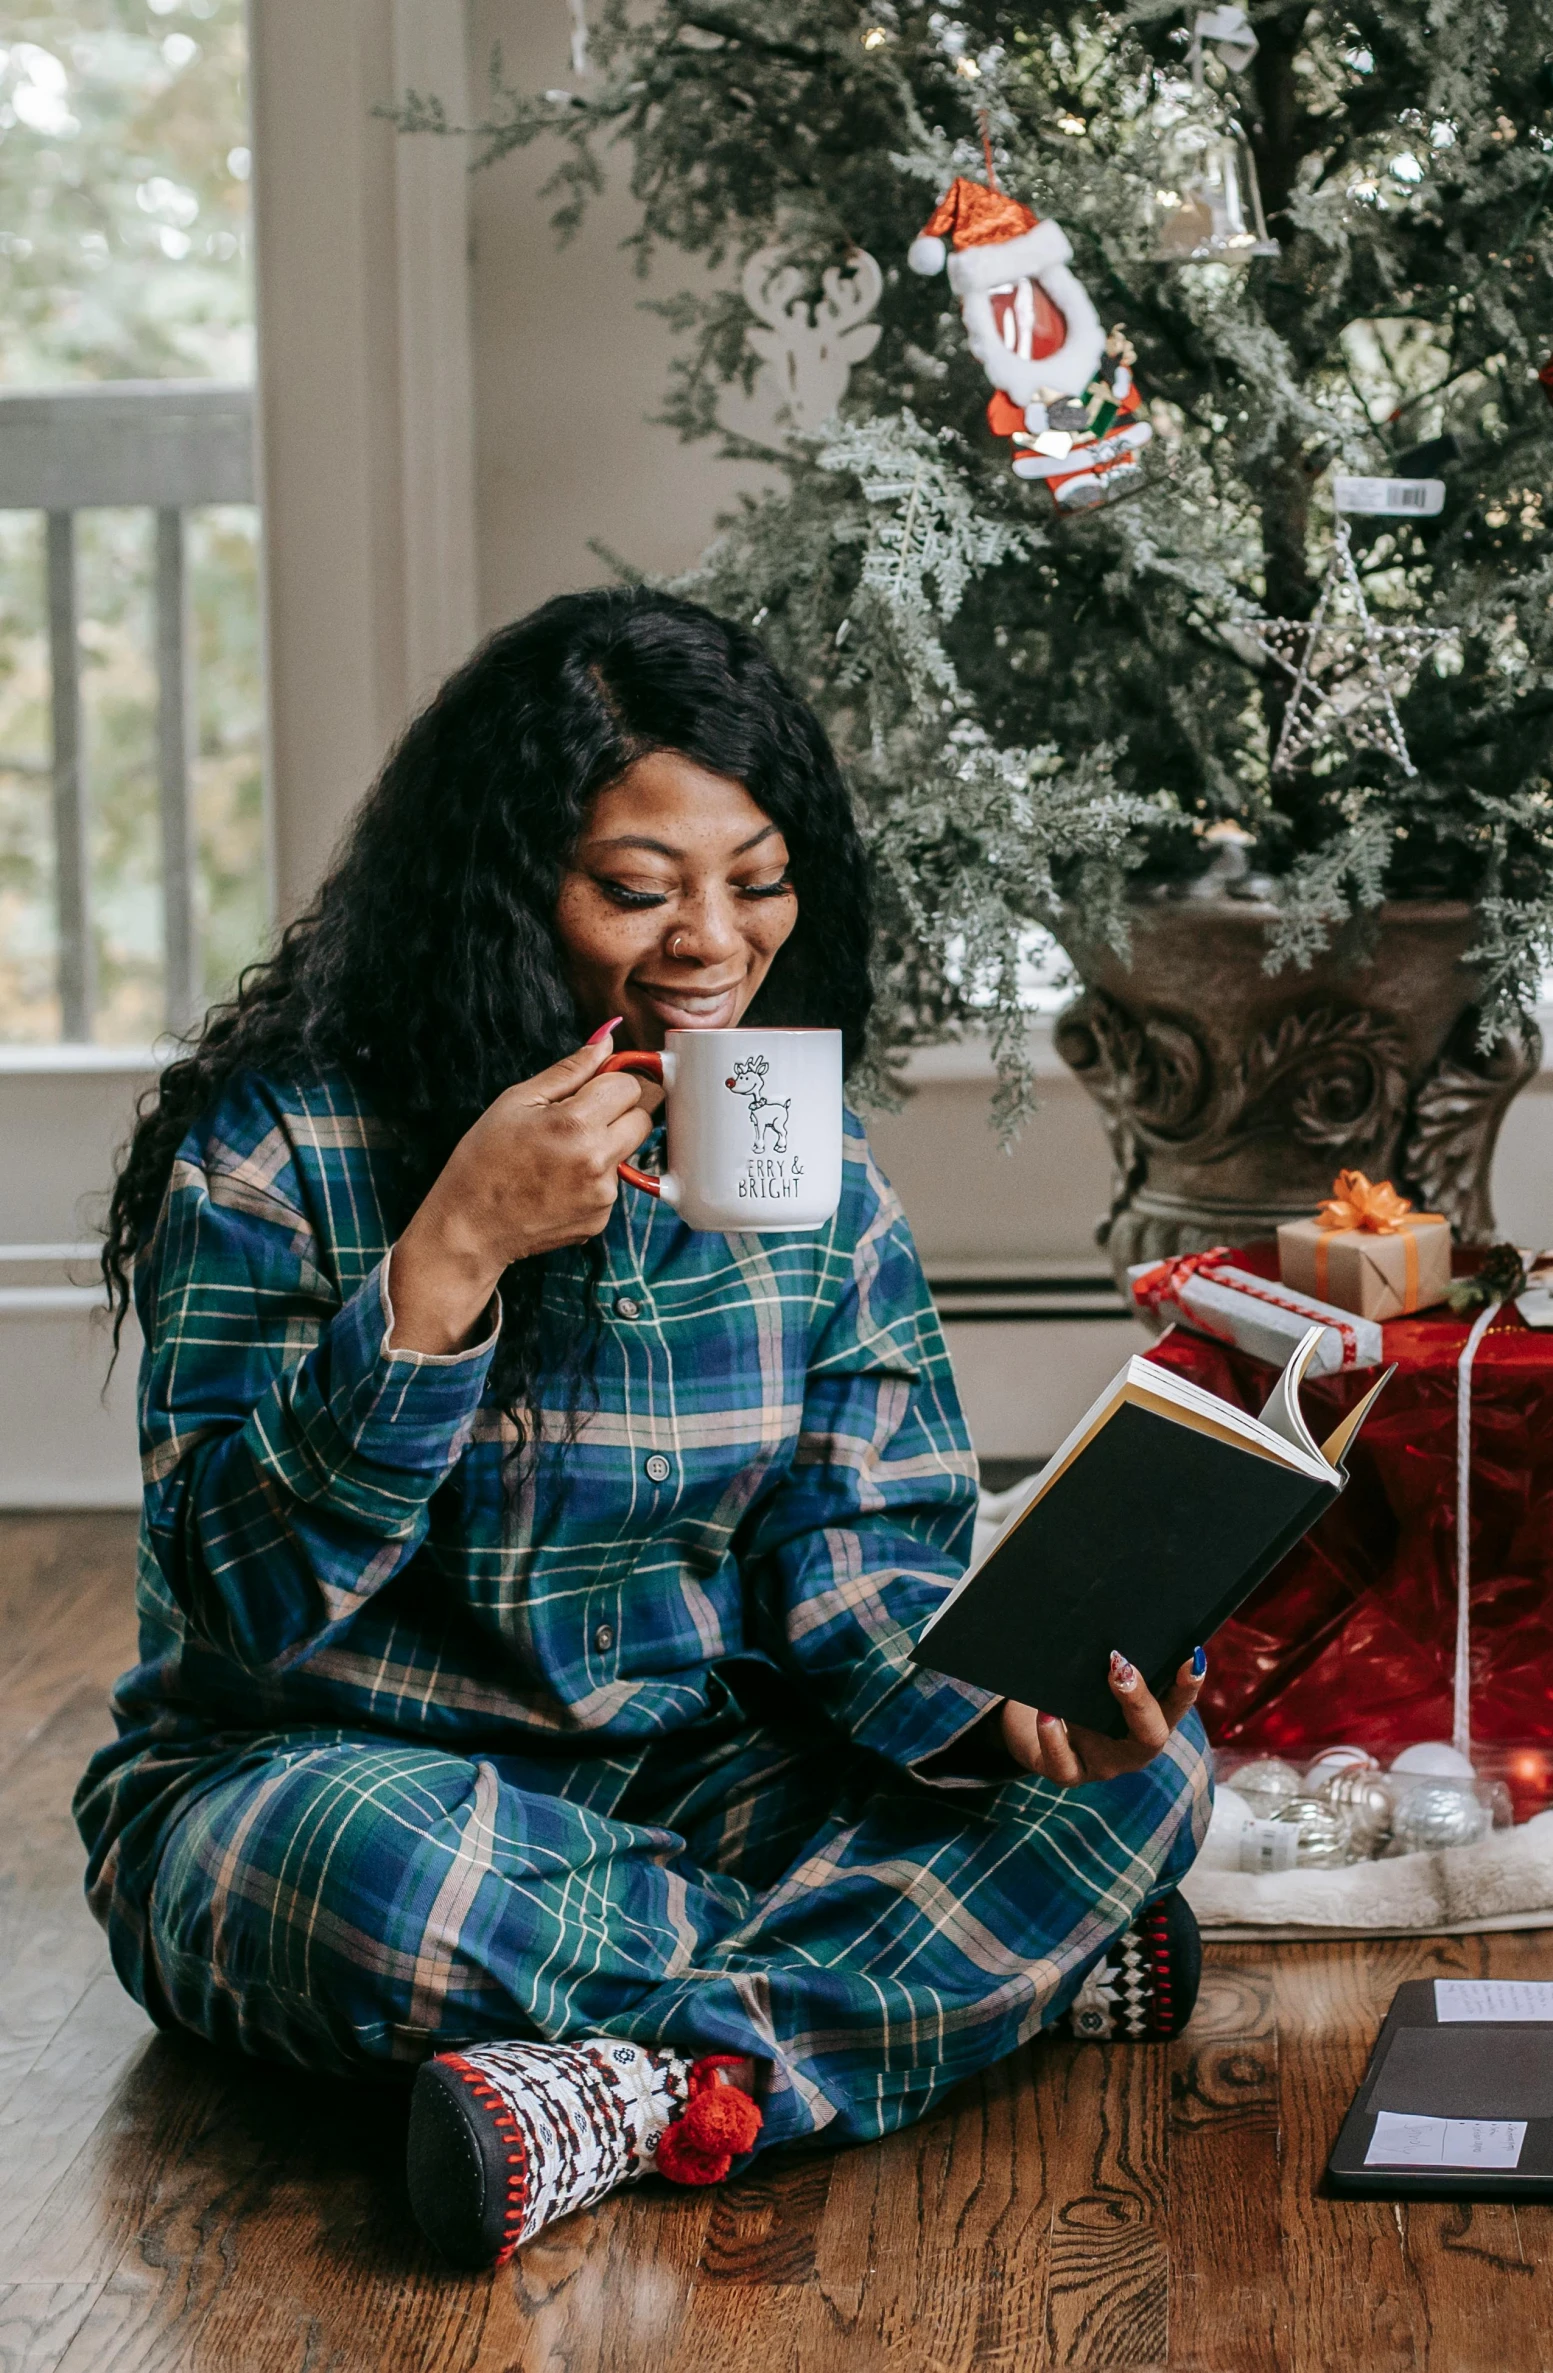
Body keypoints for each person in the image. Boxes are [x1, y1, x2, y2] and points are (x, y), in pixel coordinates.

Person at [76, 588, 1210, 2269]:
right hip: (323, 1783)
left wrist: (1009, 1722)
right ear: (501, 893)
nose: (712, 943)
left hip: (689, 1790)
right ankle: (933, 1991)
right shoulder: (278, 1153)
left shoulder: (809, 1175)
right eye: (637, 888)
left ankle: (622, 2092)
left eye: (756, 882)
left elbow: (864, 1594)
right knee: (359, 1871)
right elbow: (232, 1616)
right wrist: (451, 1252)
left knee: (1150, 1787)